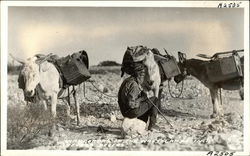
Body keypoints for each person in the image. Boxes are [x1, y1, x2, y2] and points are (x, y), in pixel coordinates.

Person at [118, 62, 160, 131]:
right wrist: (142, 98)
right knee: (154, 100)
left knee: (145, 102)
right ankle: (152, 125)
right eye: (143, 76)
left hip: (124, 110)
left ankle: (142, 122)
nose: (143, 78)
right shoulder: (134, 85)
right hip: (130, 112)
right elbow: (131, 104)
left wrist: (141, 97)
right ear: (139, 75)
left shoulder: (127, 80)